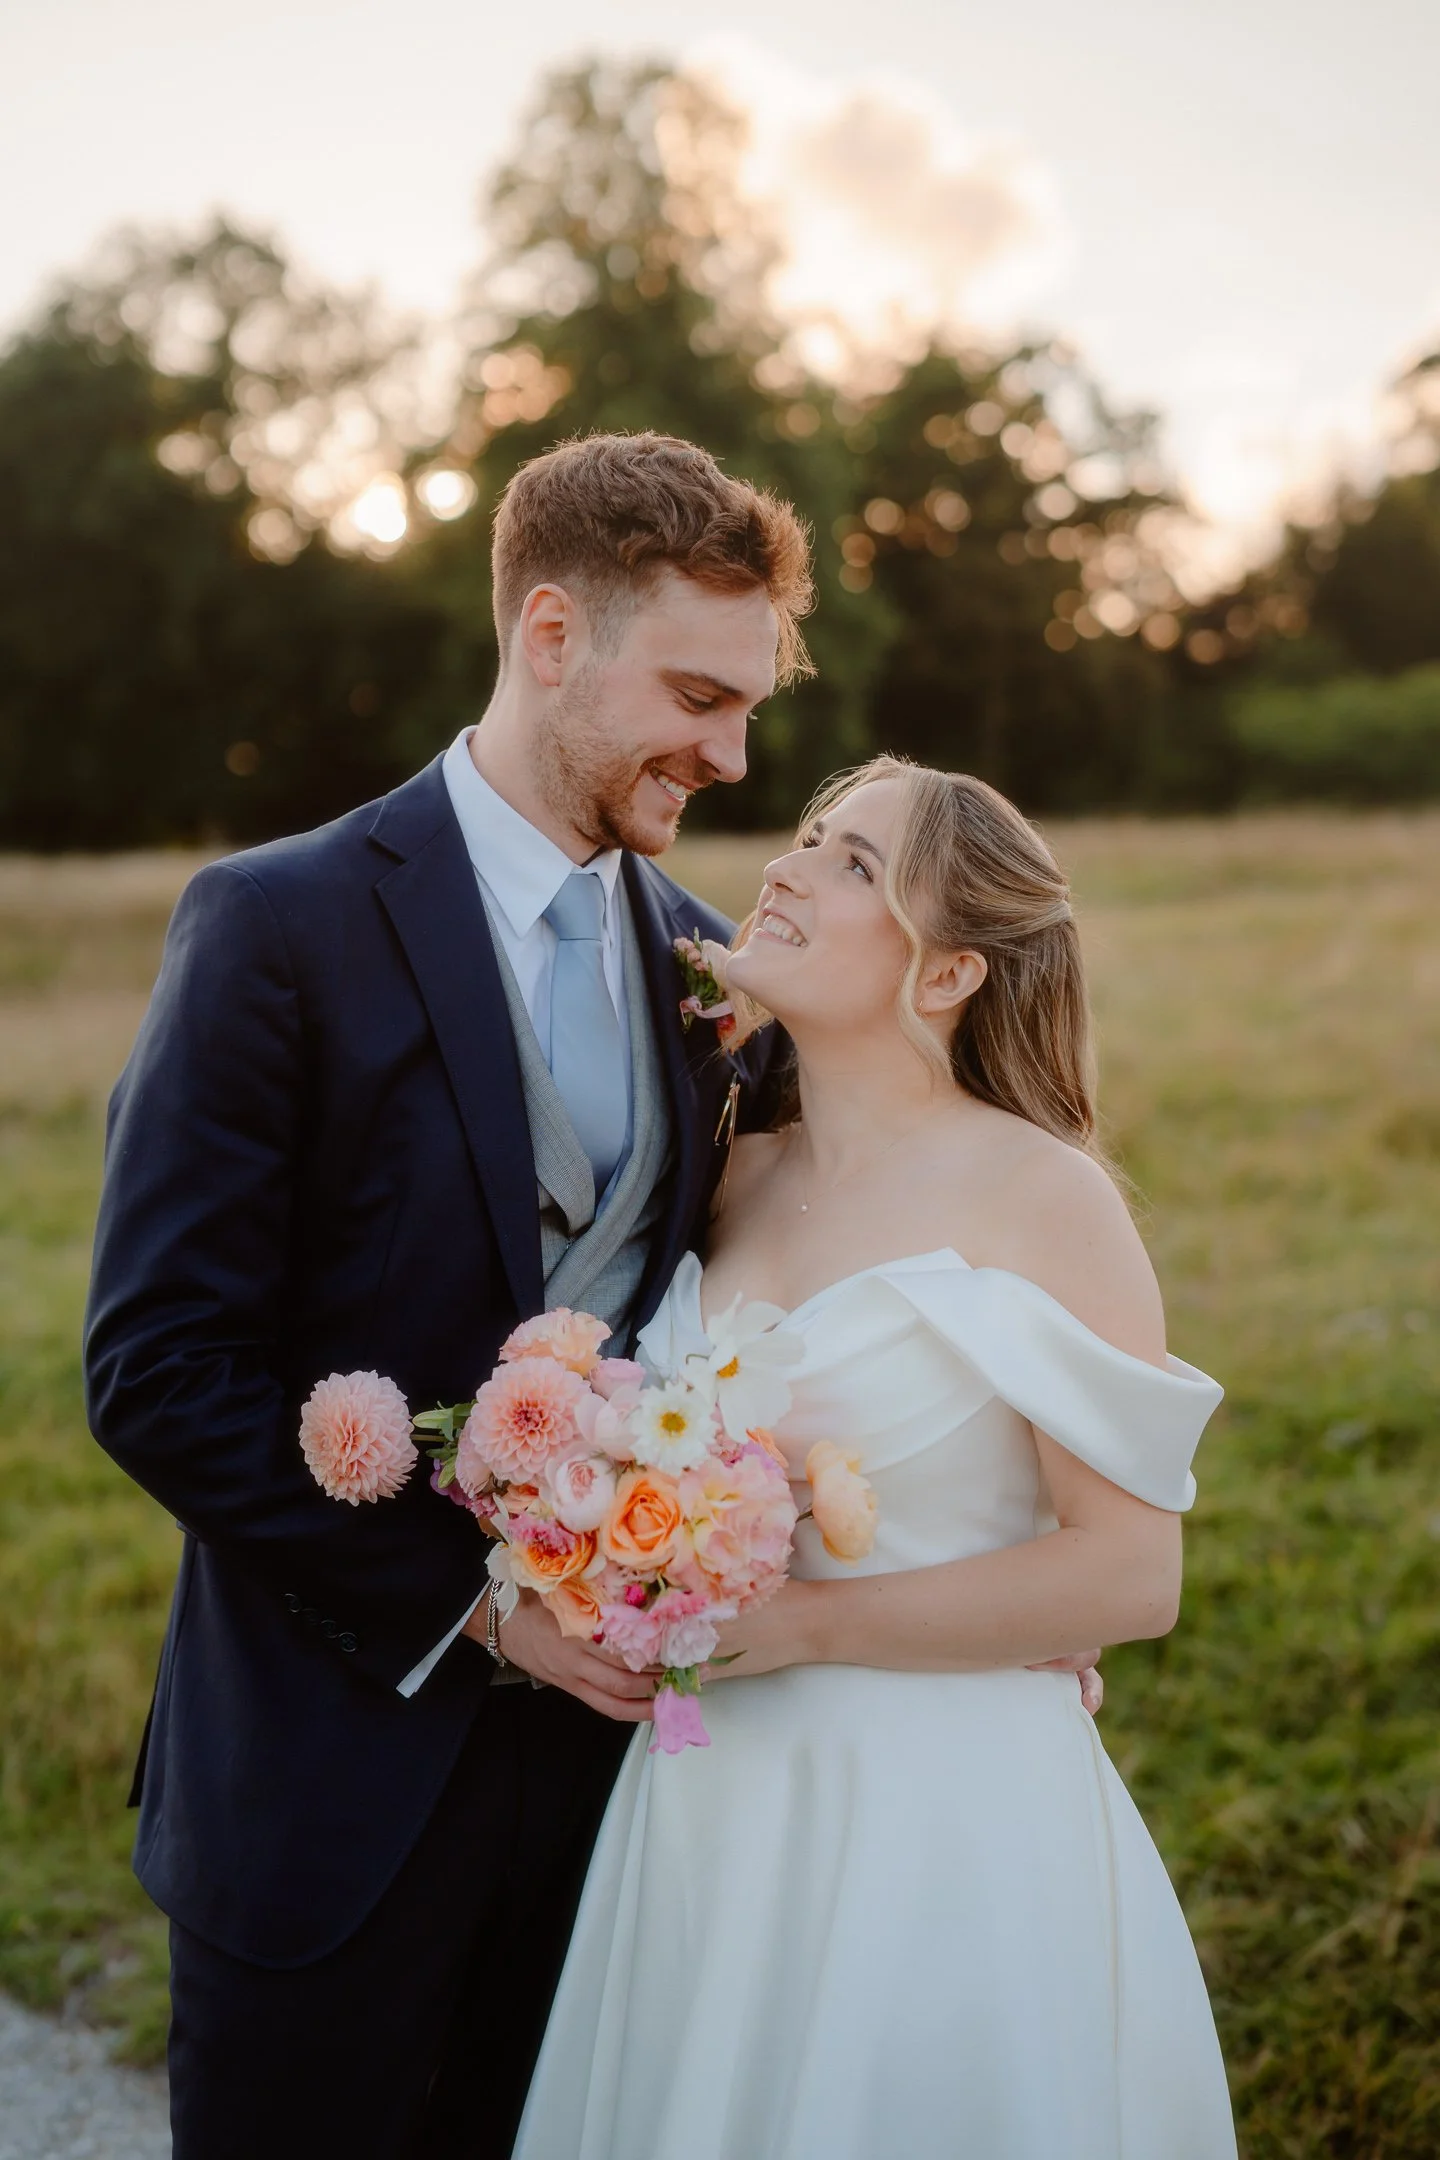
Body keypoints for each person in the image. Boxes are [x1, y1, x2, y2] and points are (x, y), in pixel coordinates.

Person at [83, 432, 813, 2160]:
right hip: (321, 1790)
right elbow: (159, 1368)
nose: (730, 751)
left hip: (601, 1820)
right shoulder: (275, 925)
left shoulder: (714, 972)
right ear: (551, 635)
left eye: (751, 707)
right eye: (700, 695)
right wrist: (481, 1611)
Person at [514, 756, 1238, 2159]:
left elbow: (1134, 1573)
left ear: (952, 970)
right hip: (710, 1799)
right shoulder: (724, 1173)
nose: (785, 869)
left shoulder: (1044, 1193)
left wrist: (811, 1625)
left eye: (854, 864)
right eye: (806, 838)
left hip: (939, 1816)